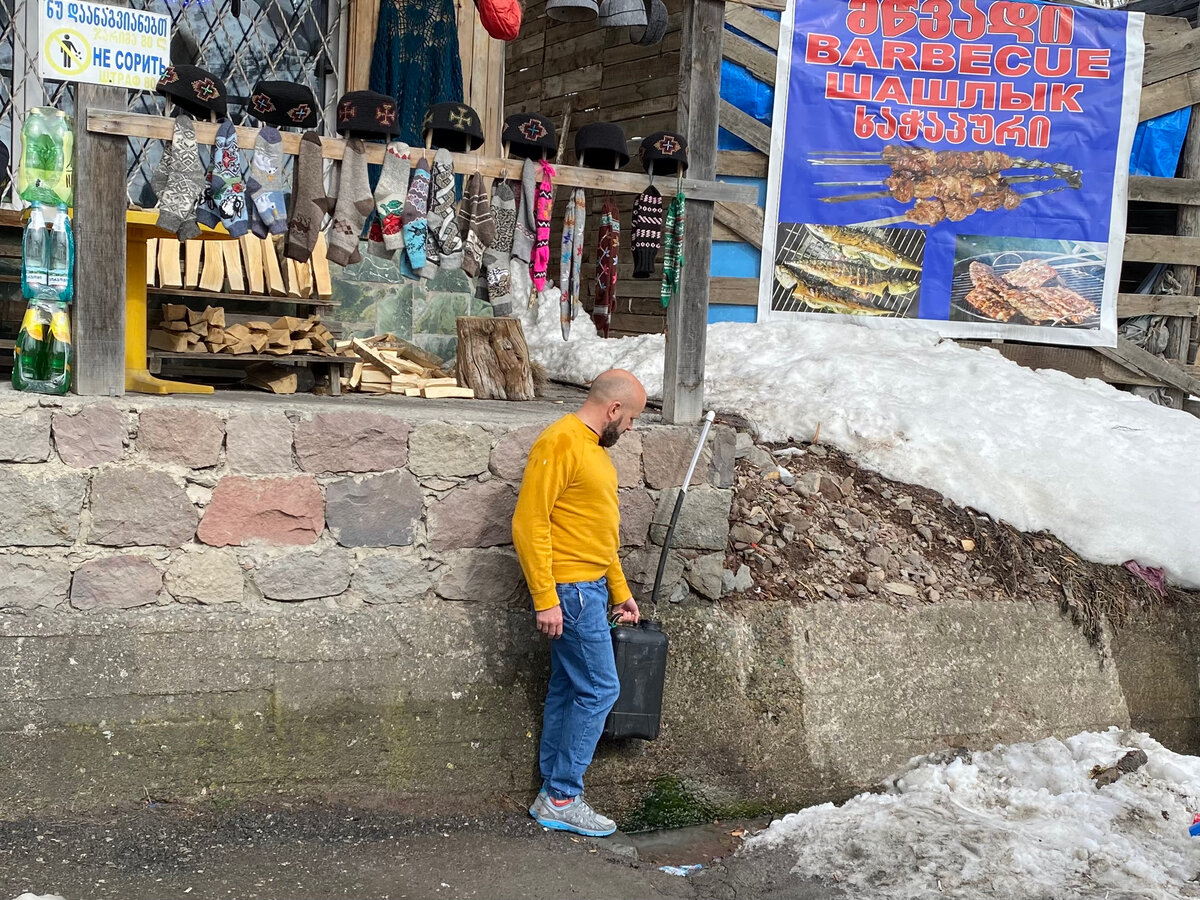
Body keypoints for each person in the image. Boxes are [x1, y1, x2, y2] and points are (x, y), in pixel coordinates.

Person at [512, 369, 647, 837]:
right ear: (613, 410)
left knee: (570, 689)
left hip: (588, 589)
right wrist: (545, 598)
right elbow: (529, 522)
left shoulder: (593, 452)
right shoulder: (561, 441)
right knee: (600, 689)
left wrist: (620, 591)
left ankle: (553, 790)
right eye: (629, 419)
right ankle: (563, 795)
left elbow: (598, 536)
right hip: (569, 593)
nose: (629, 429)